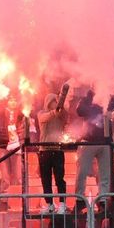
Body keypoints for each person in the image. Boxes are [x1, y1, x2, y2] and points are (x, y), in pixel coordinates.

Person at [36, 87, 71, 215]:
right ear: (48, 103)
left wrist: (61, 105)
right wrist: (54, 112)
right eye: (53, 101)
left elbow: (65, 116)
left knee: (60, 179)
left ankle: (62, 203)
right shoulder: (41, 114)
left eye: (56, 101)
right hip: (44, 150)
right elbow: (45, 118)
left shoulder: (61, 114)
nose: (55, 103)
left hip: (57, 150)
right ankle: (49, 204)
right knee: (46, 179)